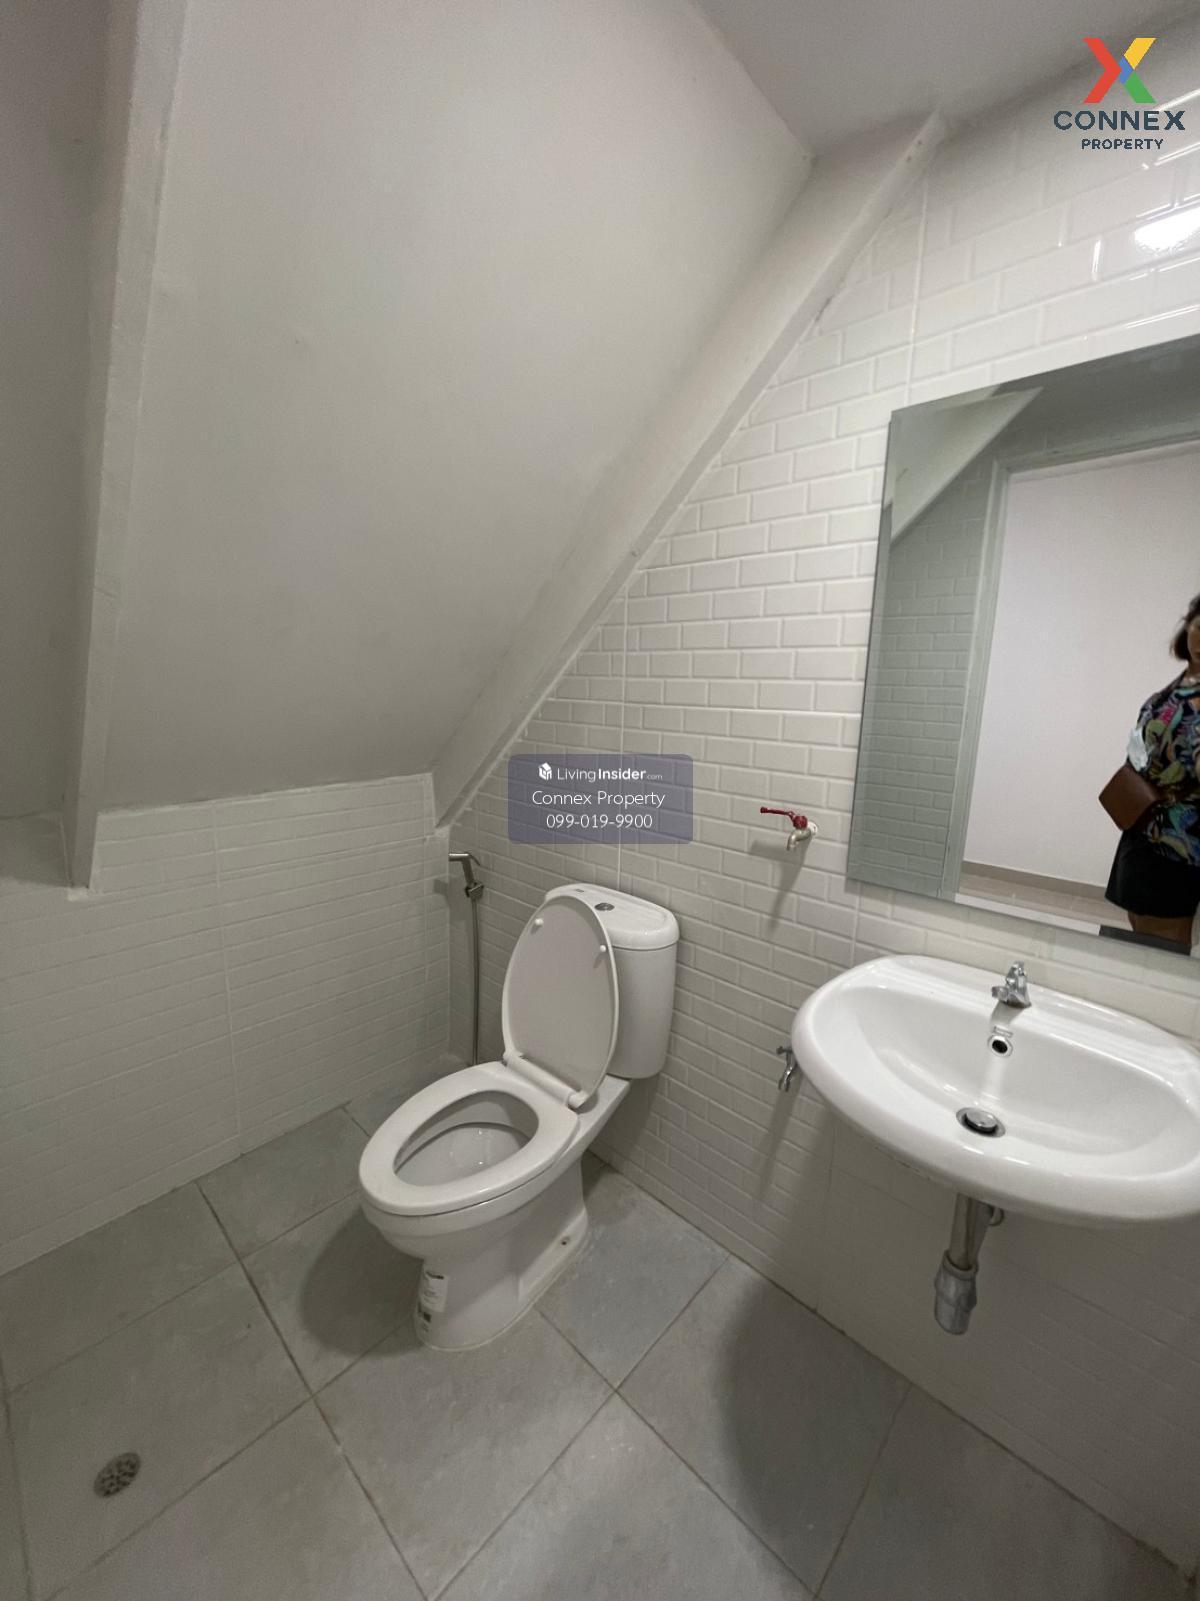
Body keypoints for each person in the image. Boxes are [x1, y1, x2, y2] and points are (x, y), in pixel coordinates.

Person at [1105, 593, 1200, 949]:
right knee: (1139, 924)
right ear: (1188, 626)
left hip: (1177, 840)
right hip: (1141, 822)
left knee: (1162, 941)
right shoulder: (1179, 685)